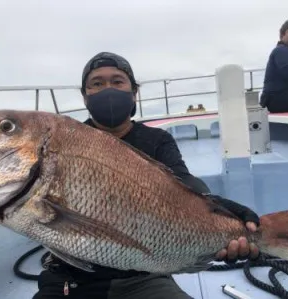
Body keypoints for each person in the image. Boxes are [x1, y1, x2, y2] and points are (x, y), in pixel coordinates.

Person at [33, 52, 260, 299]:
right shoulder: (66, 142)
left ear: (134, 92)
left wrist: (219, 209)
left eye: (117, 81)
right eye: (97, 83)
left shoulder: (158, 140)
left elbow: (184, 185)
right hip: (72, 276)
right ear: (85, 96)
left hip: (143, 275)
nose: (108, 89)